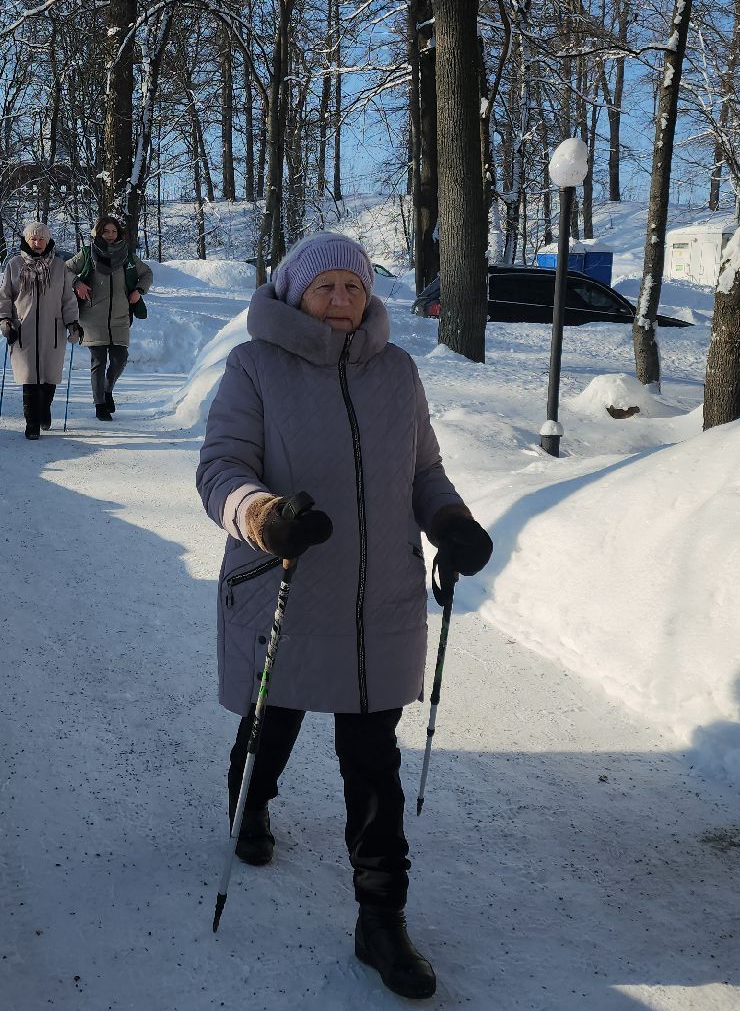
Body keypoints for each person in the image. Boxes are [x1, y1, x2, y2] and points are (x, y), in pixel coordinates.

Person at [195, 232, 494, 1001]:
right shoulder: (254, 366)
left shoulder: (396, 371)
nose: (341, 301)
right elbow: (220, 467)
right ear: (295, 294)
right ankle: (250, 804)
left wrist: (451, 522)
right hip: (289, 586)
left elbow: (423, 470)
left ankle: (381, 918)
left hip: (377, 601)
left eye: (354, 289)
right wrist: (262, 515)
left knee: (373, 767)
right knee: (274, 725)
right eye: (325, 288)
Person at [0, 220, 81, 441]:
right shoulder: (14, 265)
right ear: (27, 240)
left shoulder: (59, 267)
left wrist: (73, 322)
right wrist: (5, 320)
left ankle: (45, 408)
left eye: (41, 239)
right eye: (33, 239)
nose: (37, 243)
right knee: (29, 378)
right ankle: (32, 423)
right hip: (23, 329)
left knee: (49, 377)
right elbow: (5, 296)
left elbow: (68, 299)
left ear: (48, 241)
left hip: (53, 330)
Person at [66, 215, 153, 420]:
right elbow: (65, 269)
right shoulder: (88, 253)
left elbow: (147, 273)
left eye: (114, 231)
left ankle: (107, 390)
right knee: (99, 359)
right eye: (106, 231)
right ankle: (100, 405)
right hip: (92, 315)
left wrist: (139, 290)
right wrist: (77, 283)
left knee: (120, 358)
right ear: (98, 232)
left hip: (120, 316)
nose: (111, 235)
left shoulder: (128, 256)